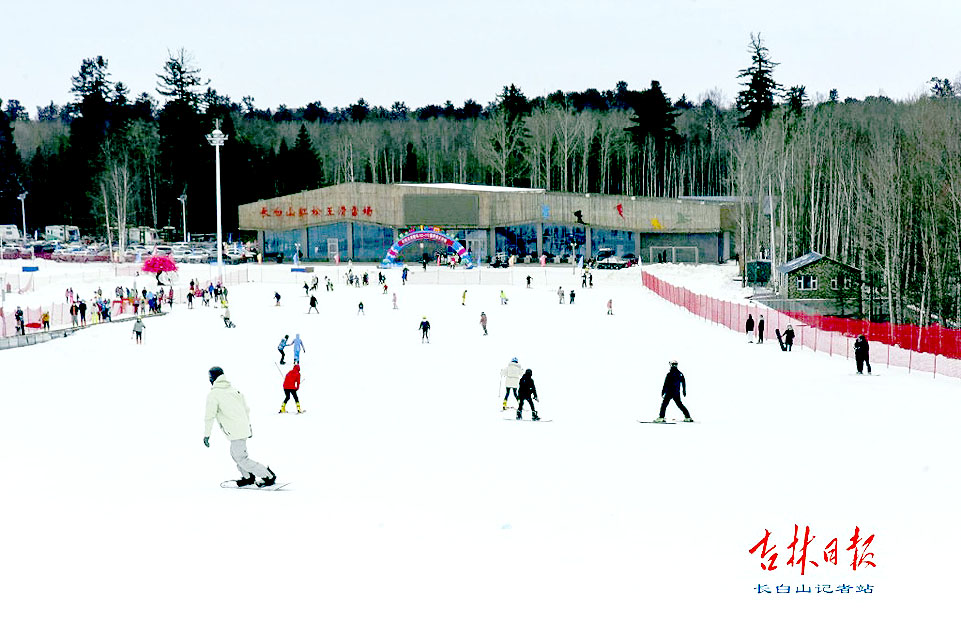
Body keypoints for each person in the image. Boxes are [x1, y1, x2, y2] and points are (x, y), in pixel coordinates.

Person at [203, 367, 276, 487]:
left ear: (212, 378)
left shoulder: (214, 394)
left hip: (235, 431)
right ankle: (248, 476)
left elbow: (209, 416)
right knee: (235, 454)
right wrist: (249, 427)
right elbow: (246, 410)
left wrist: (207, 435)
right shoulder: (234, 390)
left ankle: (268, 475)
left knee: (241, 458)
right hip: (241, 429)